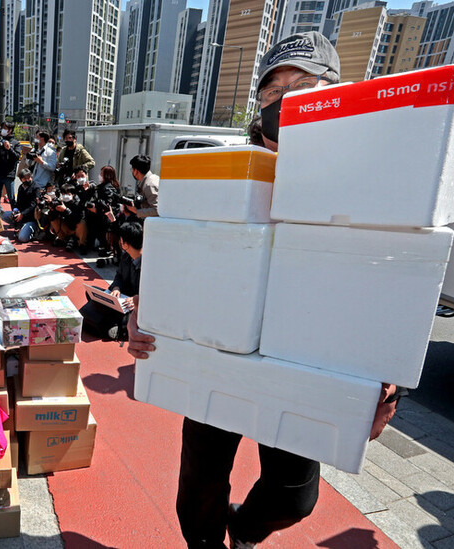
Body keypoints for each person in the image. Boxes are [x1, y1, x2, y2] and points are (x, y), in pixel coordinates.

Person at [127, 31, 346, 549]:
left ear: (337, 93)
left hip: (301, 363)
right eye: (273, 92)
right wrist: (143, 310)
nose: (287, 100)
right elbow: (174, 252)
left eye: (305, 85)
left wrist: (388, 385)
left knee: (294, 497)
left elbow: (395, 285)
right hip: (215, 354)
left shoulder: (356, 184)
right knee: (198, 489)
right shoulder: (222, 173)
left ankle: (244, 531)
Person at [79, 221, 142, 340]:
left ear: (124, 243)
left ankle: (116, 324)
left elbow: (156, 294)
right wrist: (116, 288)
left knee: (129, 315)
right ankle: (111, 319)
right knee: (92, 293)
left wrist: (137, 300)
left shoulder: (150, 264)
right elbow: (119, 276)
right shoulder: (126, 255)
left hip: (135, 304)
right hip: (121, 298)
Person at [2, 168, 40, 242]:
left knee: (22, 238)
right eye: (24, 179)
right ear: (21, 179)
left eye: (29, 178)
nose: (27, 180)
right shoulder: (21, 187)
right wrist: (15, 210)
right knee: (3, 215)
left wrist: (22, 214)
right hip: (21, 214)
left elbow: (33, 205)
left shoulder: (36, 188)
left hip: (31, 217)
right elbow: (18, 202)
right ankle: (18, 226)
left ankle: (33, 231)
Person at [0, 122, 21, 208]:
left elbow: (16, 157)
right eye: (2, 128)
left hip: (9, 174)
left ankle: (14, 214)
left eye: (6, 128)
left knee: (11, 197)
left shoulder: (15, 143)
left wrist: (9, 148)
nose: (3, 130)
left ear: (10, 130)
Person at [127, 155, 159, 219]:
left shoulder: (149, 185)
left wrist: (136, 211)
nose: (132, 172)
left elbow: (157, 210)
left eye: (132, 169)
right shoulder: (153, 178)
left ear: (136, 171)